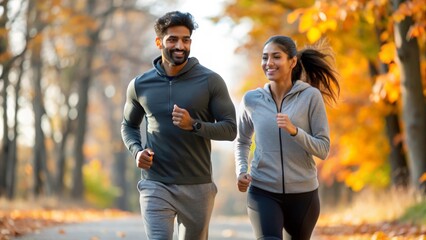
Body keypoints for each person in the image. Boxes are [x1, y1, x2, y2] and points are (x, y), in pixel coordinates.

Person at [121, 11, 237, 240]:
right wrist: (137, 152)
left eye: (185, 40)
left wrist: (194, 125)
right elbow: (128, 126)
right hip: (156, 183)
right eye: (172, 39)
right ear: (159, 42)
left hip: (197, 186)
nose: (180, 46)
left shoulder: (210, 81)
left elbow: (230, 129)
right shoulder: (140, 85)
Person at [235, 35, 340, 240]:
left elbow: (323, 149)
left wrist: (295, 132)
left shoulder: (310, 97)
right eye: (265, 58)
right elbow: (242, 141)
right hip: (262, 190)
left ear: (292, 62)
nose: (269, 63)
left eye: (276, 57)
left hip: (303, 195)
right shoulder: (252, 100)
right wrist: (241, 170)